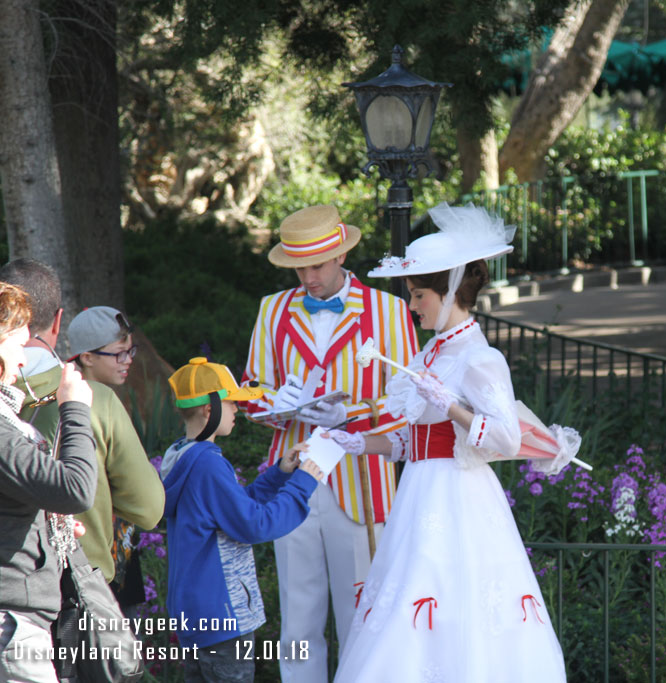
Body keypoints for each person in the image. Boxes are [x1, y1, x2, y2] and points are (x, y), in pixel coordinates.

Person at [327, 203, 573, 682]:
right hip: (419, 492)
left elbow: (502, 436)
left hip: (460, 497)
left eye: (419, 296)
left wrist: (454, 407)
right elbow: (413, 442)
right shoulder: (430, 353)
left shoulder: (480, 358)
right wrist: (360, 443)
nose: (412, 305)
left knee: (451, 606)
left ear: (450, 291)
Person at [241, 204, 419, 682]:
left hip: (360, 481)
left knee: (363, 617)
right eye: (299, 266)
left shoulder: (389, 310)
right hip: (293, 481)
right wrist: (280, 407)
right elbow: (250, 390)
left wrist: (352, 416)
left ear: (340, 255)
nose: (308, 276)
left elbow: (409, 403)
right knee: (298, 621)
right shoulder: (272, 310)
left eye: (317, 264)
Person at [161, 357, 323, 682]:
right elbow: (254, 525)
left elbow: (232, 509)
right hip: (222, 615)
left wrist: (278, 474)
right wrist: (303, 483)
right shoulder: (207, 463)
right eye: (232, 403)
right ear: (210, 409)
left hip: (197, 613)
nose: (237, 411)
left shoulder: (182, 456)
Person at [14, 294, 164, 616]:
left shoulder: (20, 396)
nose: (128, 360)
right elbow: (150, 509)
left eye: (131, 351)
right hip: (90, 579)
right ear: (87, 357)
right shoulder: (103, 403)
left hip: (25, 576)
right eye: (119, 353)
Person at [0, 281, 96, 683]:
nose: (23, 361)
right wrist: (74, 408)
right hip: (11, 629)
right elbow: (76, 488)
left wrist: (44, 520)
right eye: (18, 346)